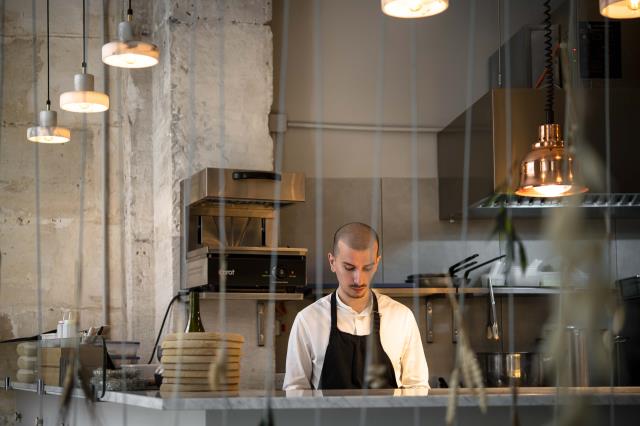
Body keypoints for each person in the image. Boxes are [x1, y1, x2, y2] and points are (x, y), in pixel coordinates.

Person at [283, 222, 429, 390]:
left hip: (388, 417)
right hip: (328, 417)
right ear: (332, 262)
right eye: (349, 268)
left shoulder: (401, 317)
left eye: (367, 268)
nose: (359, 279)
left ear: (377, 262)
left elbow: (417, 387)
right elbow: (296, 391)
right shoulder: (307, 320)